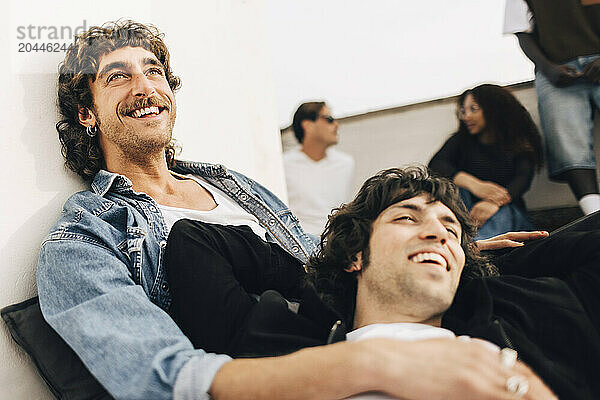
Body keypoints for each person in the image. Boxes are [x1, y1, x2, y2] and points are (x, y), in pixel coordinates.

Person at [36, 20, 551, 400]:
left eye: (154, 72)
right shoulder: (84, 237)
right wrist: (367, 364)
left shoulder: (233, 184)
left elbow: (323, 267)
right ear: (86, 113)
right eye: (118, 77)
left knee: (560, 256)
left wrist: (434, 250)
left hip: (367, 325)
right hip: (303, 368)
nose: (146, 87)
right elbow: (163, 376)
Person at [164, 167, 577, 399]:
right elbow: (194, 240)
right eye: (406, 218)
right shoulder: (283, 348)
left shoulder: (512, 332)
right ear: (355, 255)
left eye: (450, 229)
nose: (438, 233)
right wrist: (328, 268)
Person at [503, 0, 600, 215]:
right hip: (556, 69)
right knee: (564, 135)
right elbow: (521, 31)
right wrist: (547, 68)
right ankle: (594, 215)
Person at [428, 84, 543, 239]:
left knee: (504, 213)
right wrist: (475, 185)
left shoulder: (518, 142)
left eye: (473, 109)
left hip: (506, 213)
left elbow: (522, 179)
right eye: (463, 111)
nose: (466, 116)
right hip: (467, 214)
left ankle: (474, 250)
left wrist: (492, 203)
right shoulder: (460, 141)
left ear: (494, 109)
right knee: (454, 189)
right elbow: (436, 165)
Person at [283, 101, 355, 235]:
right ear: (308, 125)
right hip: (295, 244)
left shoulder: (345, 163)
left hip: (335, 244)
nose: (336, 125)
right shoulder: (283, 165)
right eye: (329, 119)